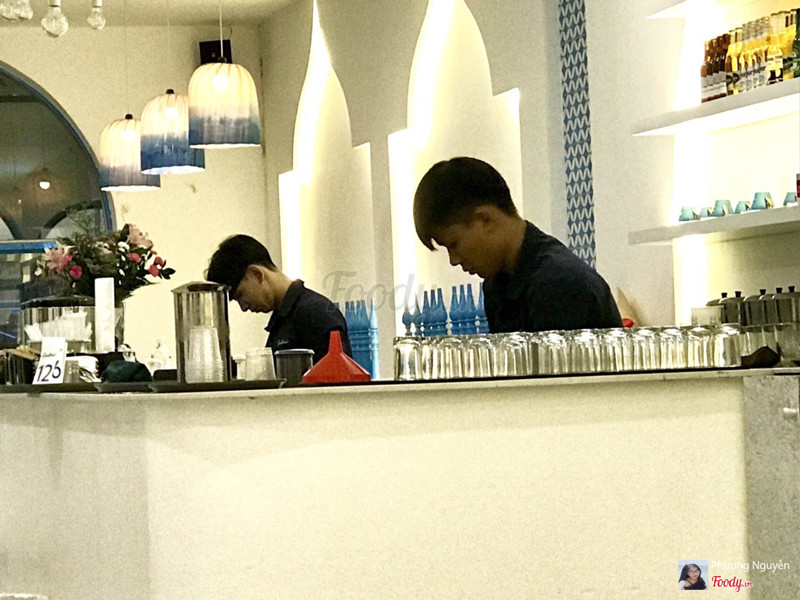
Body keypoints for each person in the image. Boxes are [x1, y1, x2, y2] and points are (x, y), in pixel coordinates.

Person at [413, 156, 622, 333]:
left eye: (453, 244)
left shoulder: (560, 284)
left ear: (485, 220)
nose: (453, 260)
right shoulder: (497, 283)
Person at [206, 234, 351, 363]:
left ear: (256, 274)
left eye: (240, 295)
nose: (243, 307)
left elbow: (337, 379)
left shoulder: (315, 313)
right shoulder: (283, 319)